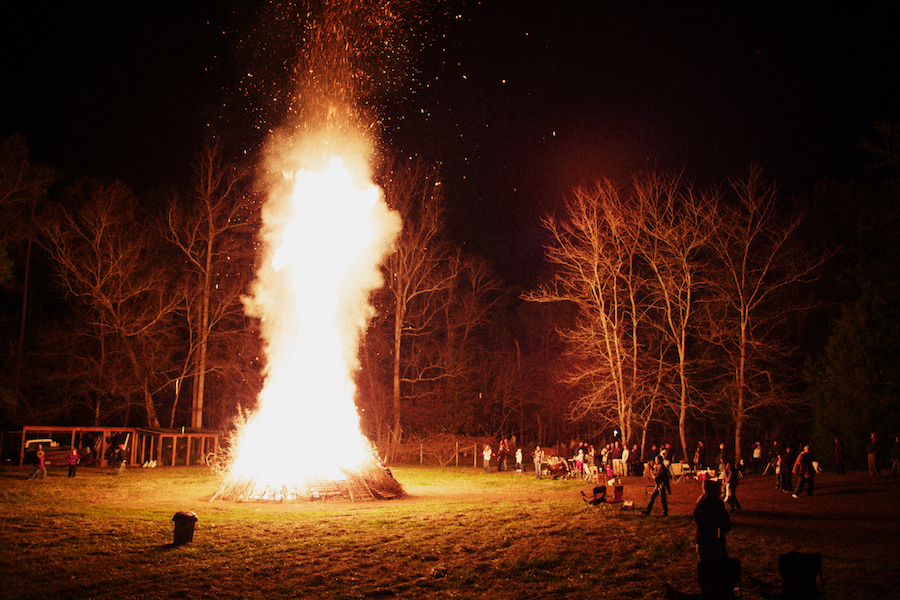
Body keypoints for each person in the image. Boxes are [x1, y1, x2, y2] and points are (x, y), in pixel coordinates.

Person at [694, 479, 731, 561]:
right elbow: (726, 526)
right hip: (715, 542)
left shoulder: (700, 503)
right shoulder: (717, 504)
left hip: (702, 541)